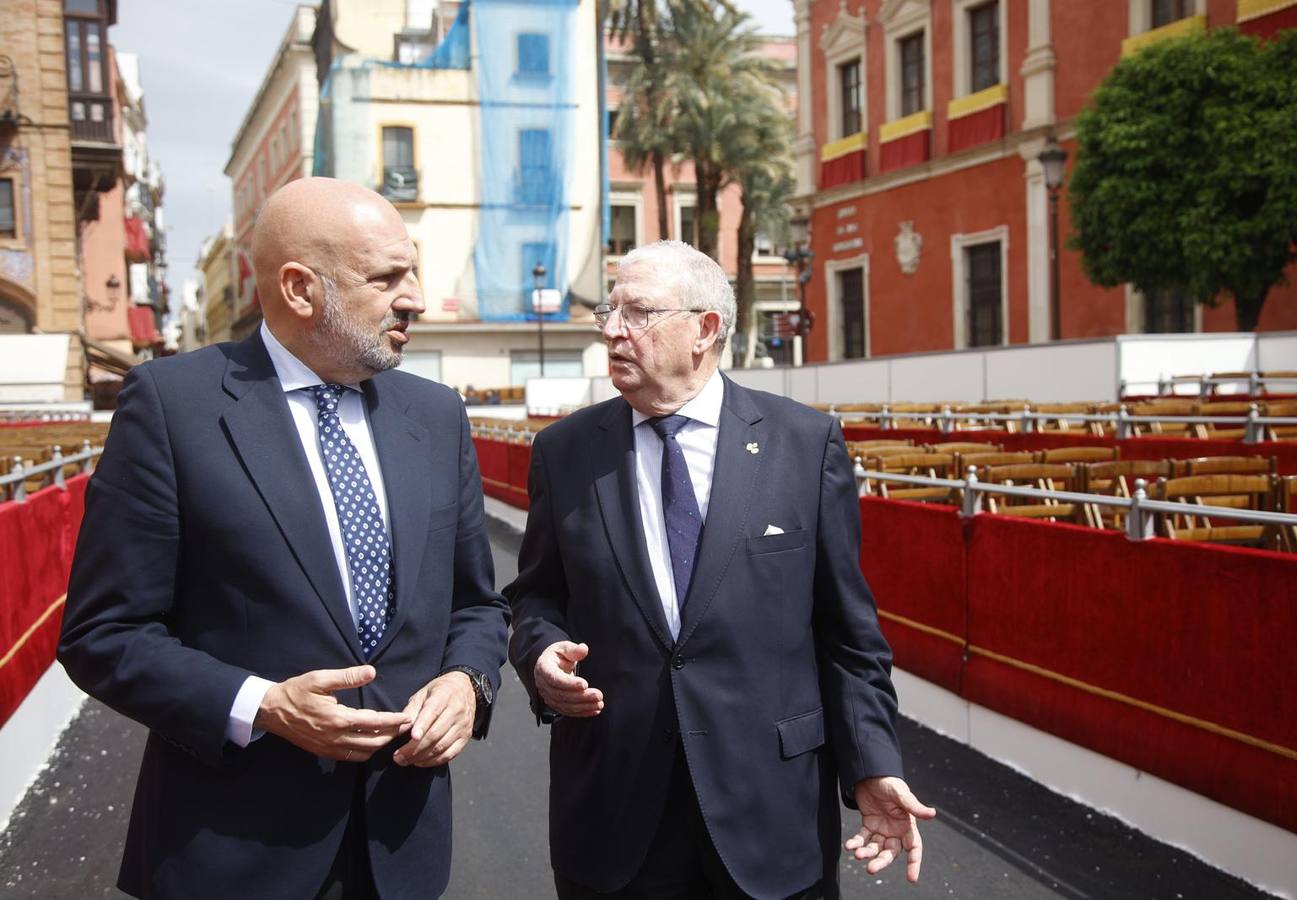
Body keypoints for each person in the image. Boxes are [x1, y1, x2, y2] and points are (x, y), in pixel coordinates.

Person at [58, 177, 510, 899]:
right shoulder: (173, 410)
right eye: (389, 276)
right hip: (233, 853)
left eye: (414, 271)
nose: (416, 297)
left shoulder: (436, 414)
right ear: (301, 289)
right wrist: (262, 705)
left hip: (402, 847)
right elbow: (103, 633)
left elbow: (477, 606)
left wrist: (468, 682)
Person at [507, 241, 935, 899]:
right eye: (610, 311)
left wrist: (872, 764)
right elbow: (536, 597)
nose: (613, 329)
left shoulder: (803, 444)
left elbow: (847, 634)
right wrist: (539, 657)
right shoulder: (565, 453)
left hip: (772, 816)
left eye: (639, 312)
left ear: (705, 328)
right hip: (614, 814)